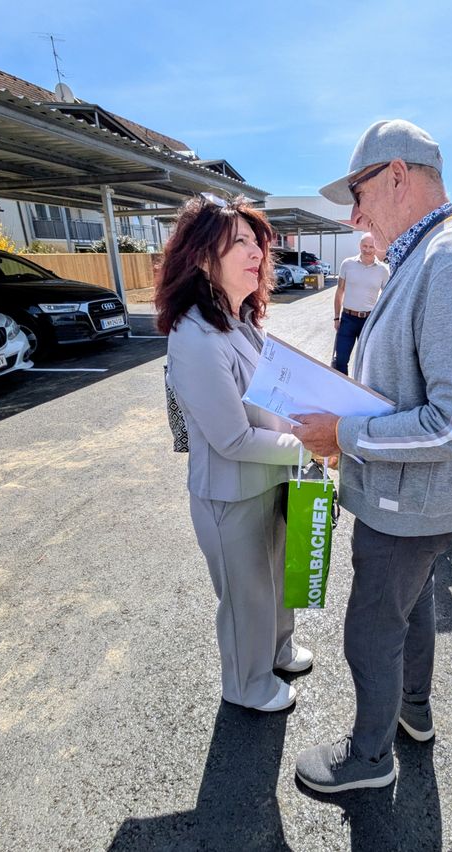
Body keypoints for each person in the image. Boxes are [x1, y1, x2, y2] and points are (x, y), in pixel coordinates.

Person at [291, 119, 452, 793]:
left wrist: (346, 435)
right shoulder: (432, 255)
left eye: (357, 194)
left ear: (397, 175)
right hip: (413, 498)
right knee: (412, 607)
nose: (354, 214)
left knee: (371, 628)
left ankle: (368, 758)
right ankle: (412, 713)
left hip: (408, 499)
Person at [156, 197, 313, 714]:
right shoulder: (195, 337)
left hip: (270, 479)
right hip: (230, 492)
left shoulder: (241, 319)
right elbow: (232, 440)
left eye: (257, 242)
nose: (257, 253)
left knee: (278, 581)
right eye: (240, 242)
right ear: (204, 258)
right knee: (247, 598)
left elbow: (269, 399)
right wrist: (308, 444)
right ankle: (247, 685)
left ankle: (277, 653)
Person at [331, 232, 389, 374]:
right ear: (360, 245)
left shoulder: (383, 270)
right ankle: (342, 389)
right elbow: (340, 291)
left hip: (369, 321)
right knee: (341, 360)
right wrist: (336, 317)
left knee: (366, 362)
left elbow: (387, 297)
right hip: (347, 319)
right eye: (364, 246)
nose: (367, 250)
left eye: (371, 246)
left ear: (376, 248)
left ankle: (361, 391)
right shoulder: (347, 264)